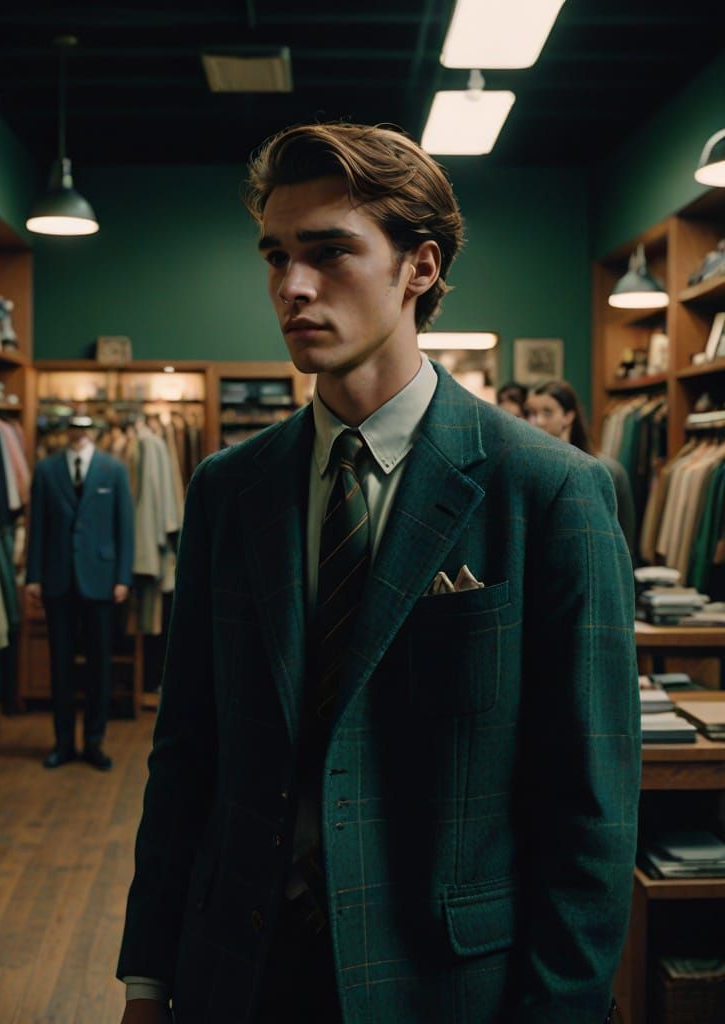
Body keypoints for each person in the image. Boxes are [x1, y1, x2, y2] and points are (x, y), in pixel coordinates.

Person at [118, 123, 639, 1023]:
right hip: (238, 971)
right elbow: (188, 754)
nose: (293, 286)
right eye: (276, 255)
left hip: (445, 981)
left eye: (329, 252)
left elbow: (587, 804)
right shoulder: (227, 490)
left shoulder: (550, 492)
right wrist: (148, 978)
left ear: (420, 268)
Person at [25, 416, 134, 770]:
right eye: (73, 425)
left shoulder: (113, 470)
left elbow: (125, 526)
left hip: (100, 580)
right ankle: (62, 742)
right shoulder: (45, 469)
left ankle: (94, 741)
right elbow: (36, 525)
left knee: (99, 665)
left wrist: (123, 577)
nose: (79, 431)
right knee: (60, 666)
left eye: (85, 425)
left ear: (94, 430)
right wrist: (34, 576)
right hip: (58, 579)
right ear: (65, 430)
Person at [525, 379, 636, 557]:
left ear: (568, 416)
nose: (537, 421)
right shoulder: (527, 470)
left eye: (547, 412)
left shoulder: (606, 471)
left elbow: (623, 542)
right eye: (530, 413)